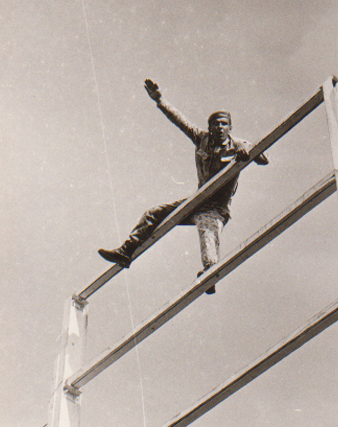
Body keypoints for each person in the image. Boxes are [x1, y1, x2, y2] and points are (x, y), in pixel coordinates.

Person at [98, 79, 268, 294]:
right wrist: (159, 100)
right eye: (215, 124)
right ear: (209, 127)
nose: (219, 128)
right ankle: (126, 251)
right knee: (154, 213)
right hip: (197, 201)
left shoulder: (238, 144)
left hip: (216, 207)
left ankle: (210, 272)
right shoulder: (202, 139)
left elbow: (264, 158)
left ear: (230, 127)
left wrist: (250, 155)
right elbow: (180, 121)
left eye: (224, 124)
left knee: (207, 230)